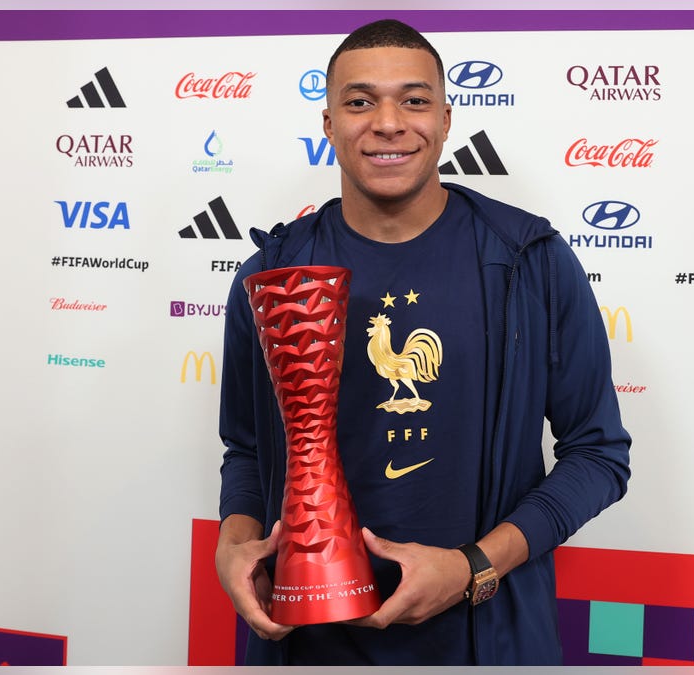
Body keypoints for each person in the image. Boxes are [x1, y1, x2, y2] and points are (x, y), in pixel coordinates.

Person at [215, 18, 631, 665]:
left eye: (414, 100)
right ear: (327, 124)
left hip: (481, 642)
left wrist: (473, 568)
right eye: (360, 101)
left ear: (445, 119)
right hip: (305, 645)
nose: (387, 122)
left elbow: (598, 454)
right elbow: (245, 448)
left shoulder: (530, 261)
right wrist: (234, 543)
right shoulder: (270, 274)